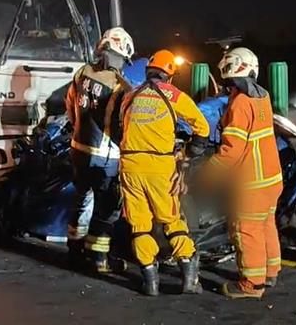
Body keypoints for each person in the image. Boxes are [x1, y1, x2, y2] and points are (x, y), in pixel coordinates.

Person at [120, 50, 209, 296]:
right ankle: (189, 280)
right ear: (169, 75)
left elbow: (122, 127)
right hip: (159, 168)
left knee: (139, 225)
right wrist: (191, 151)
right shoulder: (173, 95)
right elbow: (201, 126)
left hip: (129, 166)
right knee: (171, 220)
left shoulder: (130, 96)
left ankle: (150, 282)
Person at [202, 48, 284, 299]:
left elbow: (231, 149)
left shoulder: (240, 102)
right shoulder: (262, 97)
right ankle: (270, 272)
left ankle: (251, 284)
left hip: (251, 182)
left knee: (246, 229)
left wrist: (207, 174)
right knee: (266, 225)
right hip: (271, 179)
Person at [64, 28, 134, 272]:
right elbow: (121, 127)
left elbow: (71, 106)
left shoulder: (82, 72)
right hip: (105, 157)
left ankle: (74, 251)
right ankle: (98, 259)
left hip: (78, 150)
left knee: (82, 200)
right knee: (107, 208)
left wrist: (78, 132)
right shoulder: (121, 86)